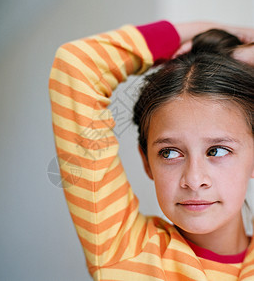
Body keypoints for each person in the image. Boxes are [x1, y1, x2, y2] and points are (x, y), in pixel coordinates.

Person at [49, 20, 254, 280]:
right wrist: (207, 29)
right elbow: (76, 65)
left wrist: (237, 56)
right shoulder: (125, 251)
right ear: (146, 161)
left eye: (217, 151)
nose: (193, 180)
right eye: (169, 153)